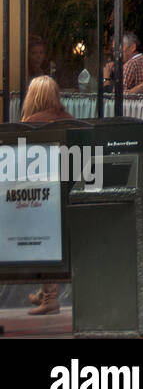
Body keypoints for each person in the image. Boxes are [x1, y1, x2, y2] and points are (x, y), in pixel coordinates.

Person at [21, 75, 72, 316]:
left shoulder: (32, 122)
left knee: (42, 240)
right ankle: (45, 292)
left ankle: (50, 297)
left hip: (43, 192)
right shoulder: (70, 119)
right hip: (67, 191)